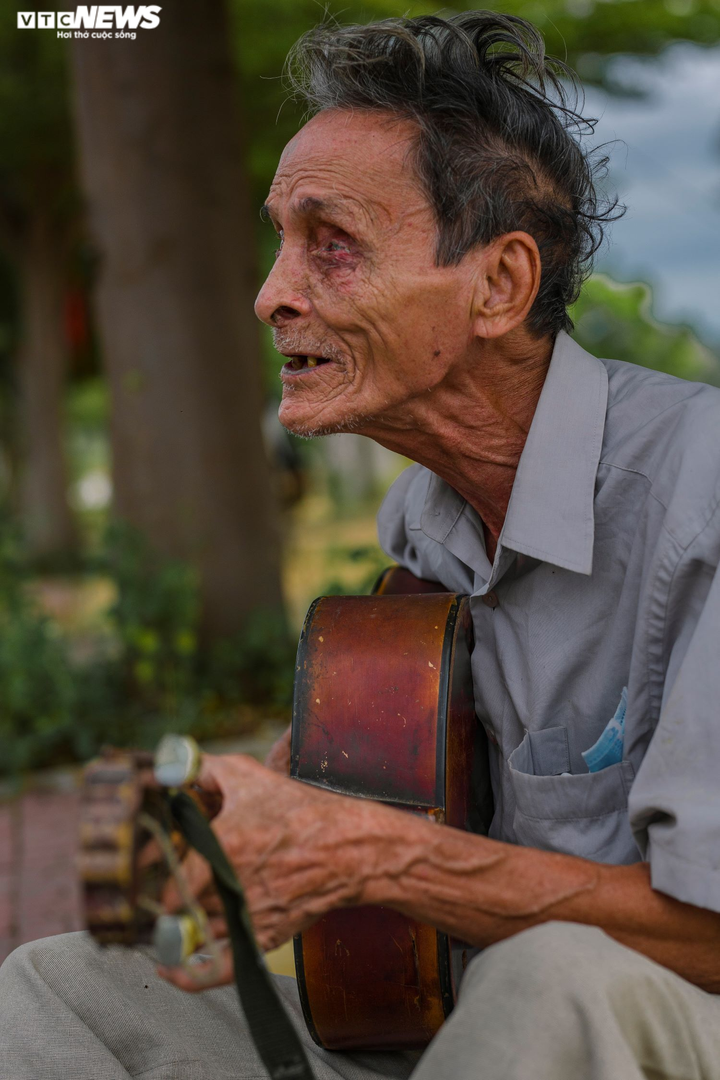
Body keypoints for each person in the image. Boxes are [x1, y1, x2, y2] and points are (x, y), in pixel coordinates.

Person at [3, 11, 720, 1080]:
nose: (271, 294)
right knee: (53, 987)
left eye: (330, 244)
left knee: (552, 975)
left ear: (500, 285)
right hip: (455, 1032)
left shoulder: (703, 494)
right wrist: (248, 823)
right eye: (281, 239)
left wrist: (371, 853)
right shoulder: (418, 530)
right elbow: (385, 781)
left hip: (656, 1023)